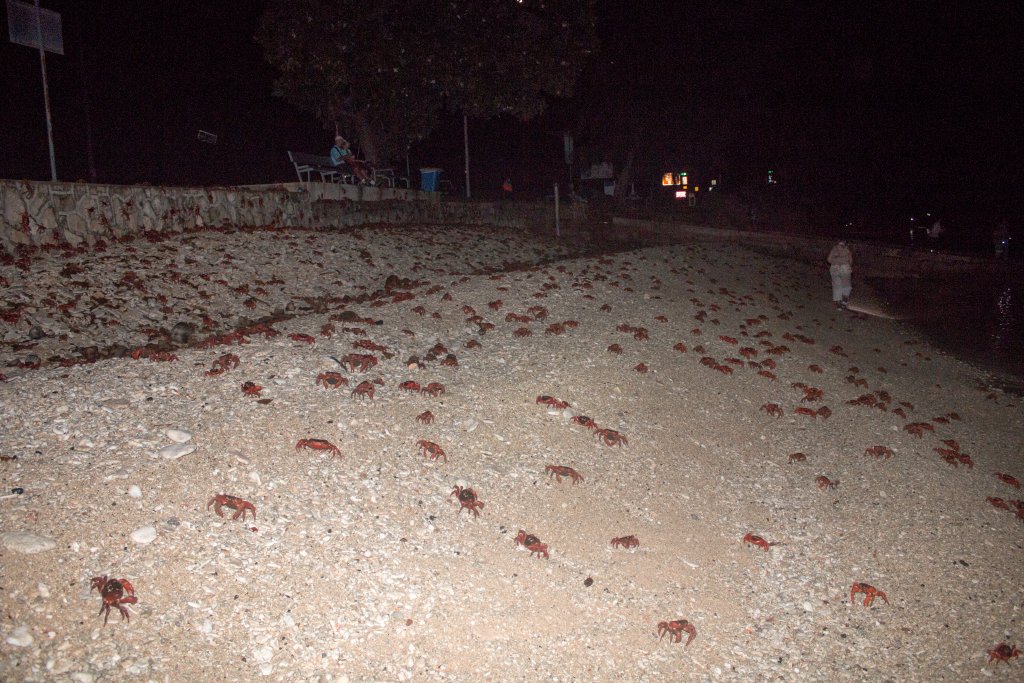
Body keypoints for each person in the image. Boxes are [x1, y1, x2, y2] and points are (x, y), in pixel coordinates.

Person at [827, 240, 853, 308]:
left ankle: (838, 302)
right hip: (845, 269)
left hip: (835, 269)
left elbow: (829, 260)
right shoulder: (847, 250)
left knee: (837, 285)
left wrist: (836, 260)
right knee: (846, 285)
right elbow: (850, 261)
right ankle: (844, 300)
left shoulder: (834, 249)